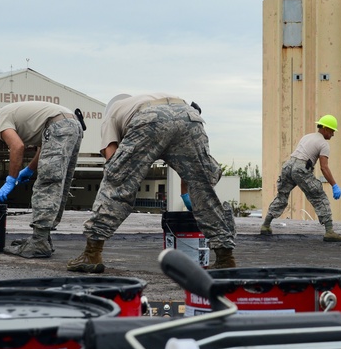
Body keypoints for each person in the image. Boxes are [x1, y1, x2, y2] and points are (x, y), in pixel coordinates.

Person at [67, 93, 236, 273]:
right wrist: (189, 194)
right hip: (189, 116)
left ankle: (92, 254)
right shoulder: (137, 102)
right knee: (204, 189)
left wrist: (126, 176)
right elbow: (192, 175)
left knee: (117, 181)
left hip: (150, 120)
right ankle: (225, 257)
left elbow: (112, 160)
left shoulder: (112, 114)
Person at [0, 100, 83, 258]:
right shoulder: (12, 113)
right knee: (57, 184)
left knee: (46, 185)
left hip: (59, 127)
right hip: (72, 125)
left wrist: (11, 180)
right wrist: (29, 169)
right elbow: (45, 145)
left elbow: (17, 146)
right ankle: (43, 238)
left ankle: (38, 242)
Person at [260, 115, 341, 242]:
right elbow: (324, 168)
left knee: (281, 196)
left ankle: (265, 225)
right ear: (326, 129)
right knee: (319, 197)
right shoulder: (323, 144)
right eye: (332, 131)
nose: (333, 134)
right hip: (301, 169)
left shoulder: (307, 137)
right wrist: (334, 185)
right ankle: (329, 231)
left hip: (288, 166)